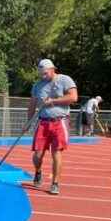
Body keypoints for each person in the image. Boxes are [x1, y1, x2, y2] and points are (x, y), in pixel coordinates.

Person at [27, 59, 79, 195]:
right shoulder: (37, 85)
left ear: (52, 69)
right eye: (40, 74)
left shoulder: (65, 80)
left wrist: (53, 101)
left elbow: (74, 97)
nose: (42, 76)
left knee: (57, 152)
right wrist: (28, 122)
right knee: (37, 155)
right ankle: (38, 172)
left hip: (60, 121)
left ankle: (55, 183)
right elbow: (32, 104)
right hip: (43, 122)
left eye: (44, 73)